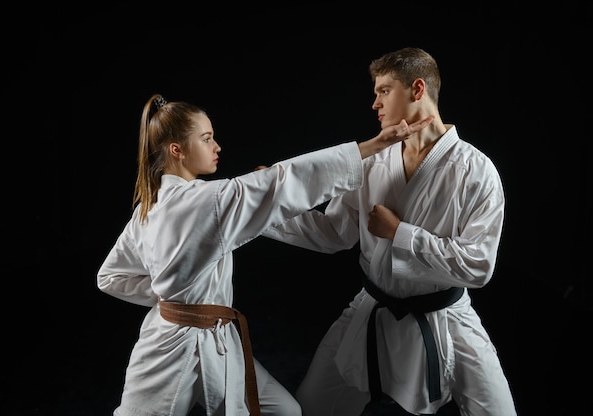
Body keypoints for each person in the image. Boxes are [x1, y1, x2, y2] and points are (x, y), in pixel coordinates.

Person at [97, 93, 433, 416]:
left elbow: (110, 277)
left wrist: (168, 295)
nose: (217, 146)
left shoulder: (150, 205)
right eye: (206, 138)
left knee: (284, 410)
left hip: (214, 338)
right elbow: (282, 181)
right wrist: (373, 146)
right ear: (177, 150)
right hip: (169, 349)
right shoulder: (208, 200)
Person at [261, 47, 517, 415]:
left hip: (445, 316)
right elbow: (333, 232)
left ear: (417, 90)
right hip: (372, 307)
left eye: (383, 91)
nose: (375, 104)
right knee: (313, 405)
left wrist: (400, 233)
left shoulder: (476, 170)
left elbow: (478, 266)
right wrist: (265, 209)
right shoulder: (374, 162)